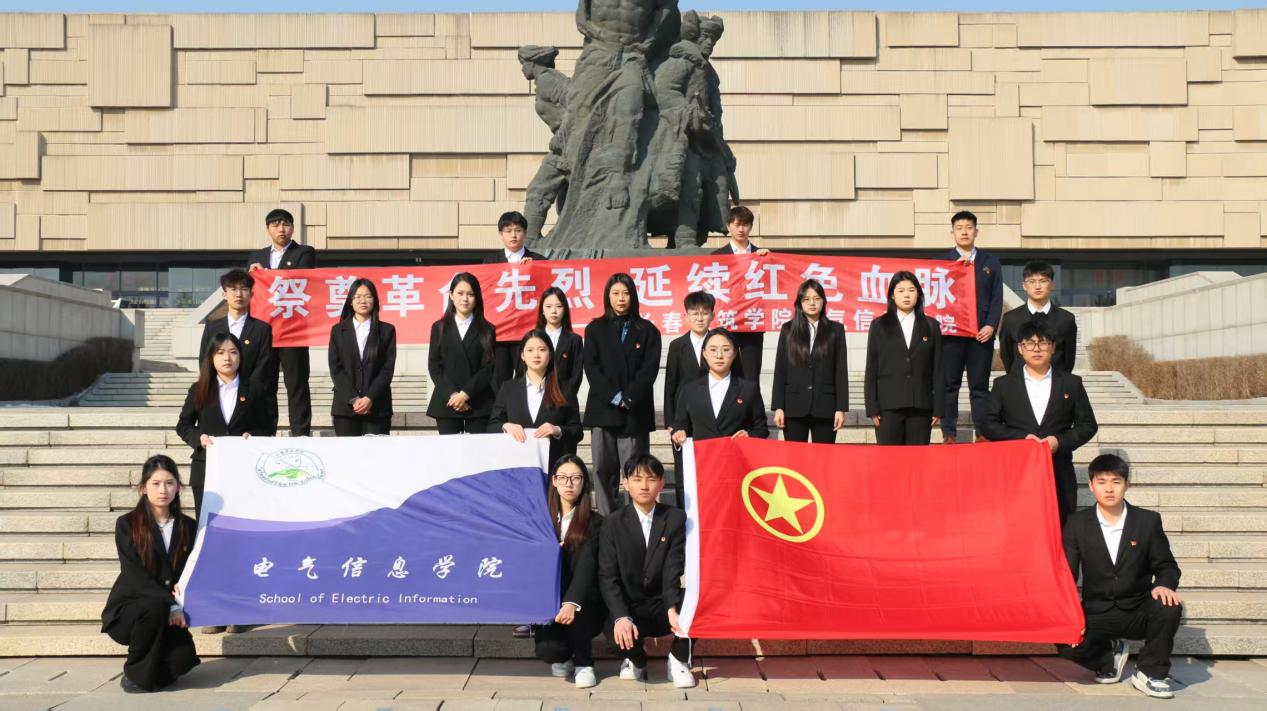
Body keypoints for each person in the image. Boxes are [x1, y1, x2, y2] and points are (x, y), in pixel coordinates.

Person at [1057, 454, 1183, 699]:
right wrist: (1067, 613)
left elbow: (1167, 566)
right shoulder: (1077, 523)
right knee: (1062, 638)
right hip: (1097, 612)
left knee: (1169, 606)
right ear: (1091, 485)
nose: (1109, 489)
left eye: (1116, 481)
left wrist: (1164, 585)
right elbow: (1068, 574)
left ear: (1127, 484)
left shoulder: (1147, 521)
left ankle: (1150, 673)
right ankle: (1107, 658)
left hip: (1137, 608)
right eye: (1101, 482)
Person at [979, 320, 1099, 527]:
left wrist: (1059, 441)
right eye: (1029, 343)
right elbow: (988, 424)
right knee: (1018, 527)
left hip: (1058, 471)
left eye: (1043, 343)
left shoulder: (1071, 383)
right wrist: (1021, 439)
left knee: (1060, 528)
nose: (1036, 349)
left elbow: (1088, 424)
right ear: (1020, 348)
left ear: (1053, 347)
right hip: (1017, 472)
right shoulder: (1004, 385)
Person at [101, 454, 199, 693]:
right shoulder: (127, 524)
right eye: (155, 483)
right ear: (144, 488)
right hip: (131, 611)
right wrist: (171, 605)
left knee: (182, 660)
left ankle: (152, 668)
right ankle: (134, 673)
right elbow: (134, 575)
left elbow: (193, 570)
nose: (163, 490)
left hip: (168, 610)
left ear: (178, 487)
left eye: (169, 483)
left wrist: (180, 602)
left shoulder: (188, 526)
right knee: (154, 605)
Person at [598, 455, 695, 689]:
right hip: (630, 605)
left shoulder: (674, 517)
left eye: (651, 479)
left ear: (661, 483)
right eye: (636, 479)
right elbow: (608, 575)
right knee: (613, 629)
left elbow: (673, 566)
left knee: (696, 605)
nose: (644, 486)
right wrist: (622, 616)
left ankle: (679, 659)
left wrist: (672, 607)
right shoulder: (612, 523)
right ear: (625, 483)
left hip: (662, 603)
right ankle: (636, 660)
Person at [582, 274, 662, 514]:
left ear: (633, 296)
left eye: (626, 293)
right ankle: (607, 521)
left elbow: (649, 370)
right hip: (603, 410)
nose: (621, 299)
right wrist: (614, 396)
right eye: (615, 293)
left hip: (634, 412)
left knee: (636, 472)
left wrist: (629, 398)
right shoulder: (595, 329)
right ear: (607, 296)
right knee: (602, 470)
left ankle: (635, 519)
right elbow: (592, 368)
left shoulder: (648, 330)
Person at [176, 333, 270, 523]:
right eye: (220, 352)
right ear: (211, 357)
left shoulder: (255, 389)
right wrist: (199, 438)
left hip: (243, 468)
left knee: (241, 524)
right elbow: (183, 425)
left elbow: (267, 427)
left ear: (240, 356)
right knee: (207, 526)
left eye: (233, 352)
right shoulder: (199, 389)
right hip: (207, 468)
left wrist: (252, 436)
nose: (227, 358)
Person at [534, 455, 605, 689]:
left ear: (584, 482)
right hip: (550, 599)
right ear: (554, 481)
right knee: (549, 650)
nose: (569, 483)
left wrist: (572, 602)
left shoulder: (596, 522)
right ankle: (564, 657)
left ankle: (585, 663)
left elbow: (590, 567)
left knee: (584, 557)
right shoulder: (541, 520)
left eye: (576, 478)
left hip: (585, 600)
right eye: (563, 478)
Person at [247, 208, 316, 437]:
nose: (281, 229)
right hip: (265, 330)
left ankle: (301, 434)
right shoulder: (256, 257)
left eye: (285, 224)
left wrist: (266, 273)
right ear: (268, 229)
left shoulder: (304, 252)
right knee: (265, 385)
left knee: (297, 385)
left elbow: (299, 278)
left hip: (293, 330)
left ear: (293, 228)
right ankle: (266, 433)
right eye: (275, 225)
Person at [939, 210, 1003, 444]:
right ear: (952, 232)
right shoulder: (942, 262)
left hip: (981, 335)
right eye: (959, 228)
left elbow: (997, 297)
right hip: (952, 335)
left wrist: (991, 326)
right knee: (950, 386)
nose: (964, 232)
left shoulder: (990, 262)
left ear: (976, 231)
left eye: (968, 227)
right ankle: (949, 433)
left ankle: (982, 433)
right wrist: (954, 270)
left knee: (979, 387)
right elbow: (936, 298)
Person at [863, 271, 944, 445]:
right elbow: (872, 368)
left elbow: (938, 369)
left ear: (919, 294)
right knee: (890, 459)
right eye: (901, 291)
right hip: (888, 407)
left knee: (918, 458)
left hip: (921, 406)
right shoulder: (879, 325)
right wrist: (872, 407)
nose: (906, 295)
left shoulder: (931, 326)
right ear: (892, 295)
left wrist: (938, 407)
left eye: (911, 290)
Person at [488, 329, 583, 466]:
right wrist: (506, 426)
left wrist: (558, 430)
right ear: (522, 355)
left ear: (550, 355)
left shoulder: (565, 389)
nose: (536, 355)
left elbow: (577, 431)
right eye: (530, 350)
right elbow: (492, 425)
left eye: (542, 350)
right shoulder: (509, 388)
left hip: (553, 466)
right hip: (517, 464)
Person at [771, 279, 849, 444]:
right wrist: (778, 407)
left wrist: (841, 408)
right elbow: (781, 369)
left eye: (817, 298)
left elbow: (840, 370)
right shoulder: (788, 329)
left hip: (825, 406)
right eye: (806, 299)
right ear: (799, 303)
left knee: (824, 457)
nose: (812, 303)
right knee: (795, 457)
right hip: (793, 407)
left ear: (824, 301)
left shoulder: (836, 330)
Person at [671, 328, 769, 454]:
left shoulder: (748, 389)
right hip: (701, 459)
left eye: (726, 350)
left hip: (735, 458)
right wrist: (678, 433)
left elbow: (762, 428)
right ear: (704, 353)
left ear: (735, 353)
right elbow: (680, 425)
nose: (719, 356)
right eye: (713, 350)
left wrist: (749, 436)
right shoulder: (689, 390)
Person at [427, 272, 497, 435]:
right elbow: (435, 366)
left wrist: (465, 394)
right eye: (460, 293)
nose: (465, 299)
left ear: (477, 298)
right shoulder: (439, 328)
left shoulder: (487, 329)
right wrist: (453, 395)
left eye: (470, 294)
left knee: (477, 450)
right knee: (450, 450)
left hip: (478, 402)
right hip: (447, 401)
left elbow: (488, 368)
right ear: (451, 295)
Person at [328, 278, 397, 436]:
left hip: (377, 408)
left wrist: (369, 398)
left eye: (368, 296)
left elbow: (387, 369)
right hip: (345, 409)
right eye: (358, 297)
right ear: (350, 302)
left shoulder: (386, 330)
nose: (363, 301)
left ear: (375, 300)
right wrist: (353, 398)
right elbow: (336, 368)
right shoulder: (338, 330)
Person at [663, 291, 714, 508]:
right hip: (684, 421)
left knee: (712, 473)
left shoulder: (720, 343)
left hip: (713, 419)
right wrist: (671, 422)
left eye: (704, 313)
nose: (700, 318)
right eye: (694, 313)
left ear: (712, 315)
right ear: (686, 316)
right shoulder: (677, 346)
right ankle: (684, 518)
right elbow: (670, 385)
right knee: (684, 473)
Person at [486, 211, 548, 387]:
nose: (513, 235)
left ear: (525, 233)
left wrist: (533, 270)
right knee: (499, 380)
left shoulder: (539, 261)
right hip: (499, 333)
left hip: (528, 332)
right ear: (501, 234)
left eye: (518, 230)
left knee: (528, 378)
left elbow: (548, 294)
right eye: (508, 231)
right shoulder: (490, 262)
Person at [711, 206, 768, 390]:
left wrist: (767, 261)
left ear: (751, 227)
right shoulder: (717, 257)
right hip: (727, 321)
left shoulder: (763, 256)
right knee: (727, 373)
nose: (741, 229)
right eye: (737, 225)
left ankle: (753, 408)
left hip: (752, 322)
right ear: (729, 226)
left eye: (745, 225)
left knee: (752, 376)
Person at [199, 269, 272, 399]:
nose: (238, 294)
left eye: (244, 289)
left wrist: (246, 390)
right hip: (218, 392)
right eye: (233, 289)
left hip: (251, 395)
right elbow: (205, 359)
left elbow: (264, 364)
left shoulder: (262, 329)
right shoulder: (212, 327)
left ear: (251, 294)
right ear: (224, 295)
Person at [1000, 260, 1078, 375]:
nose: (1037, 287)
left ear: (1052, 284)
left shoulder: (1066, 319)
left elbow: (1069, 357)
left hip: (1055, 380)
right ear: (1024, 286)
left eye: (1043, 281)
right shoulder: (1011, 318)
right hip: (1020, 380)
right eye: (1032, 281)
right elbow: (1006, 355)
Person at [537, 286, 584, 403]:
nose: (554, 311)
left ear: (565, 310)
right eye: (548, 306)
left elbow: (576, 375)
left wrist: (562, 398)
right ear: (542, 310)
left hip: (565, 401)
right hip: (537, 399)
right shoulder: (533, 338)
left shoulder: (574, 340)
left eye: (559, 306)